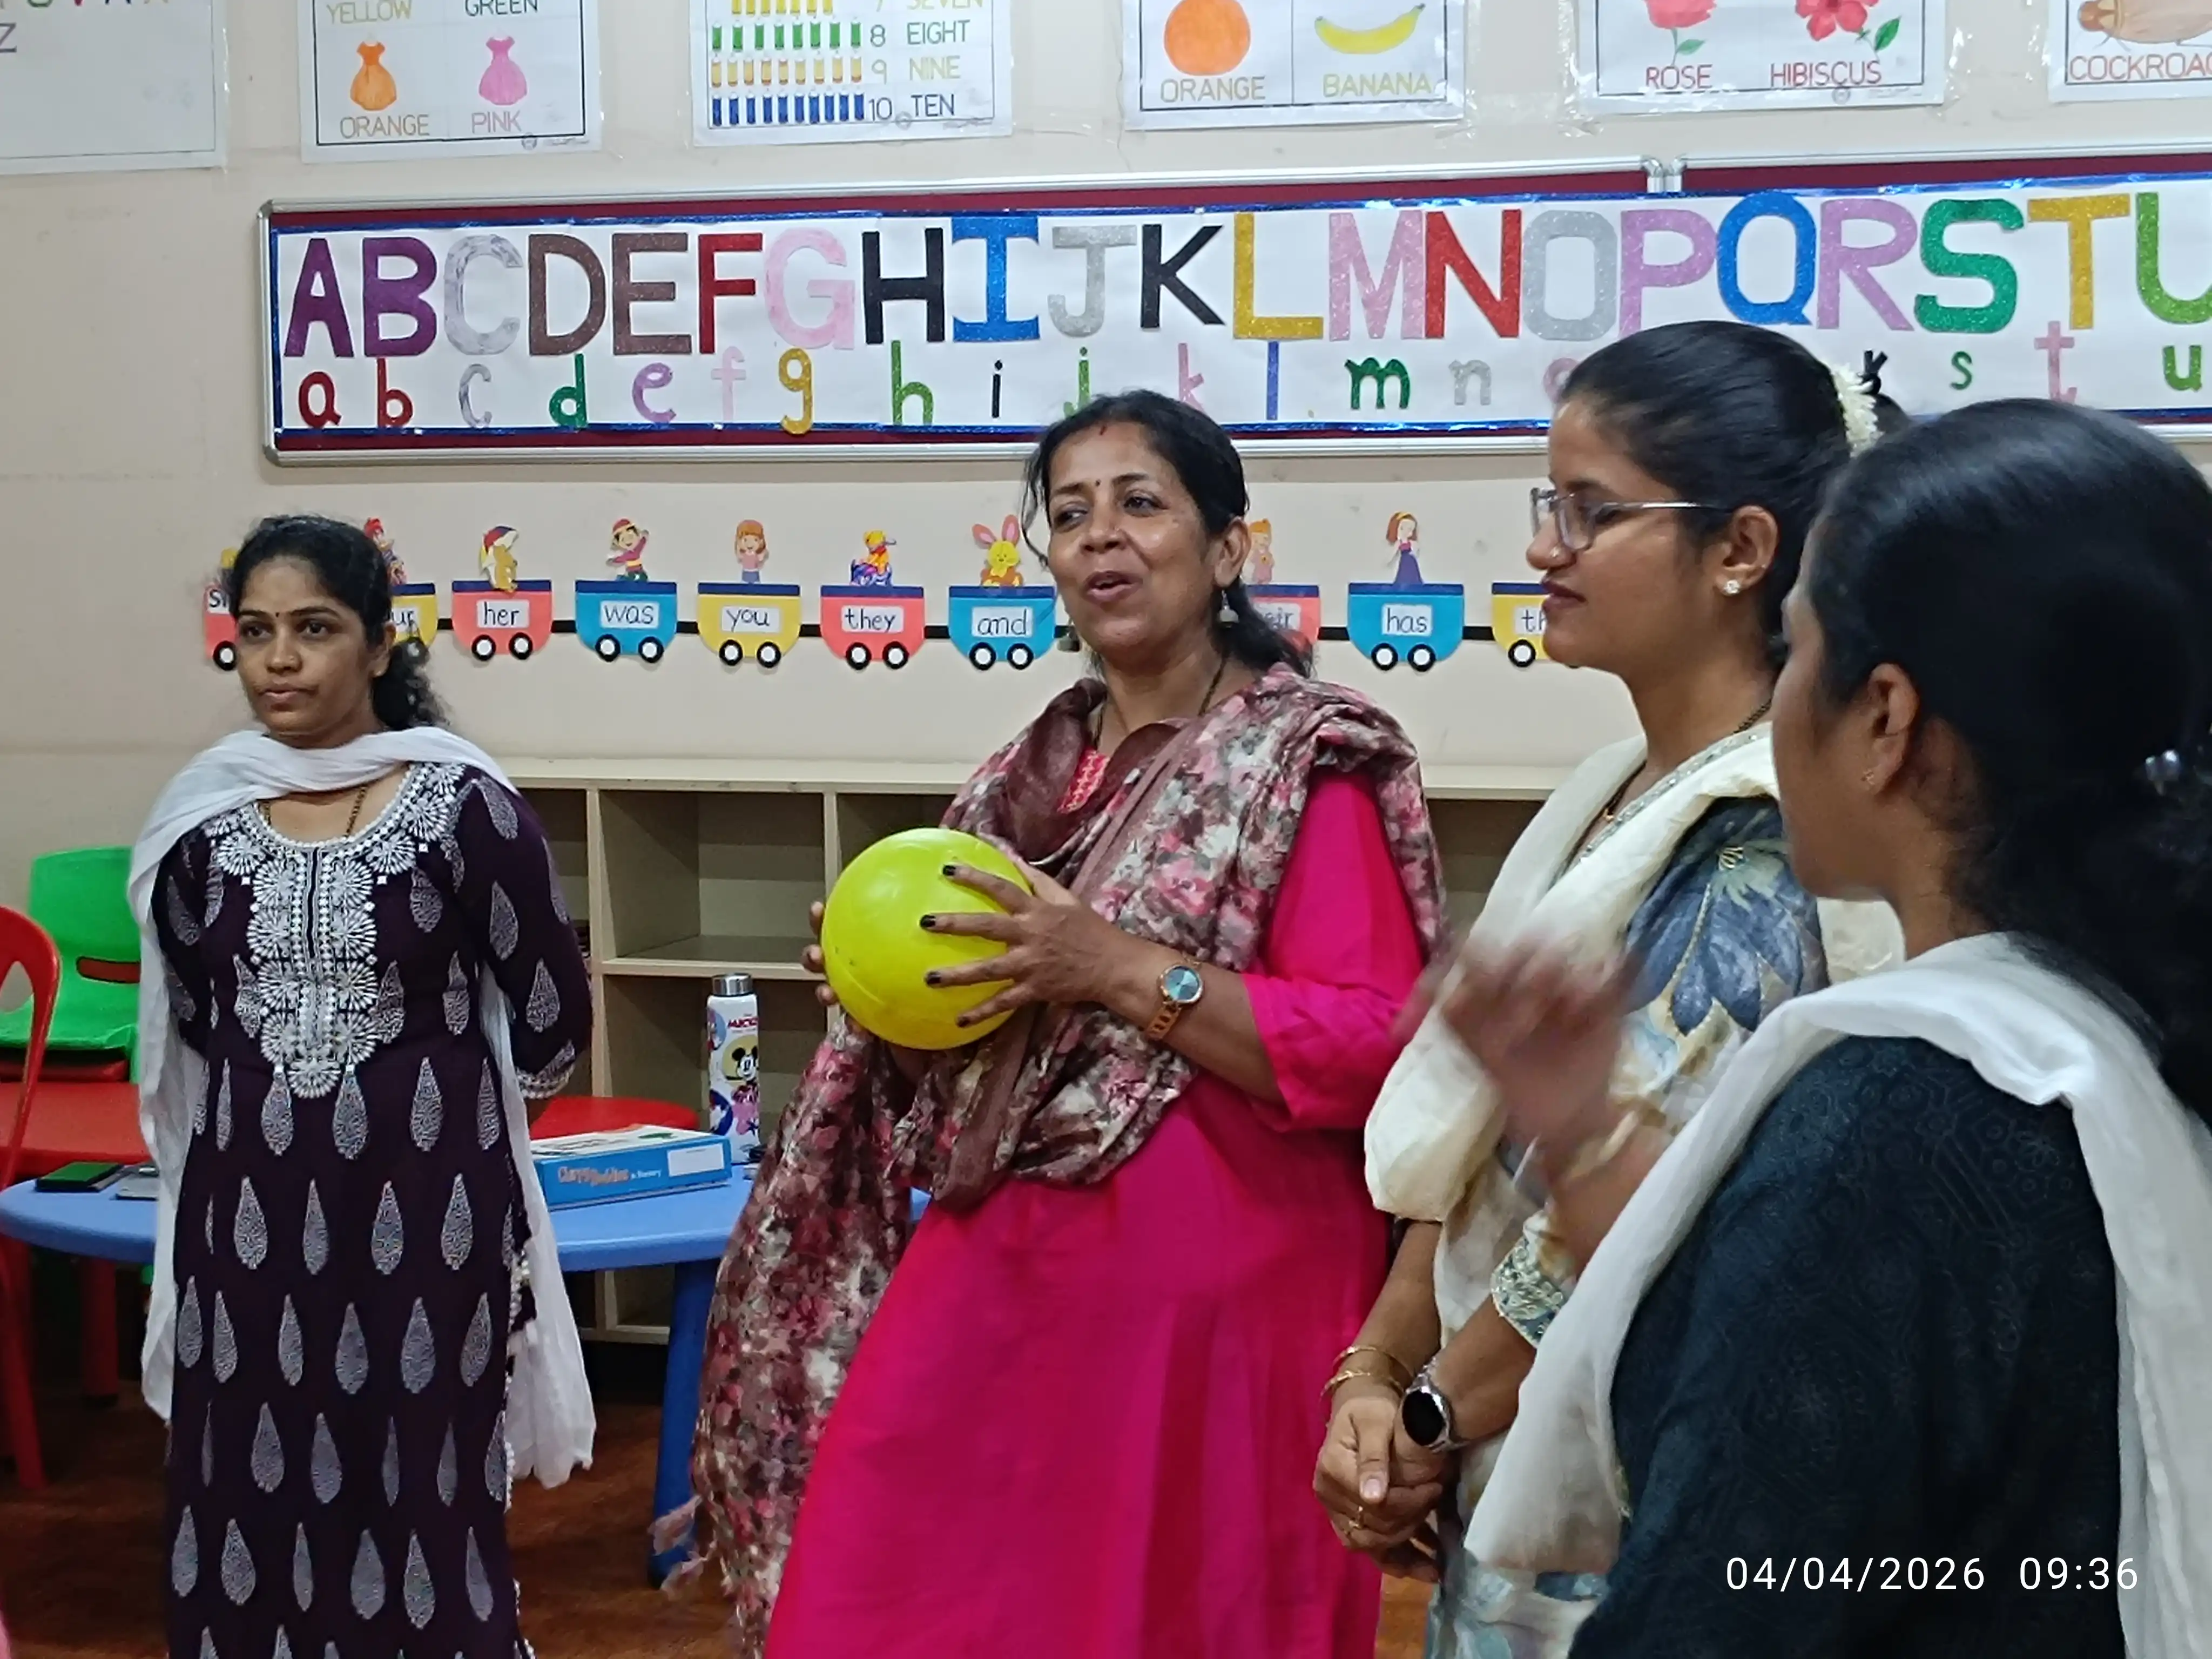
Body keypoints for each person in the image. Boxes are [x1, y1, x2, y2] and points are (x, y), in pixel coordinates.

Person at [672, 390, 1451, 1659]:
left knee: (1172, 1610)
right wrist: (901, 1002)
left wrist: (1114, 967)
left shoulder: (1302, 762)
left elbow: (1375, 1047)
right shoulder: (1026, 773)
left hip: (1222, 1287)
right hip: (1014, 1244)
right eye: (1070, 514)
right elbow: (1001, 1037)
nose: (1100, 540)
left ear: (1227, 549)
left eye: (1140, 504)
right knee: (882, 1574)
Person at [1454, 399, 2212, 1656]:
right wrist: (1584, 1139)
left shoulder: (1898, 1118)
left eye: (1794, 650)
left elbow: (1740, 1589)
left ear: (1885, 721)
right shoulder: (2128, 1024)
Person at [1317, 321, 1906, 1657]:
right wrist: (1372, 1373)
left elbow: (1620, 1214)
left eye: (1589, 511)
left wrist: (1421, 1425)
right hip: (1491, 1449)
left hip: (1617, 1496)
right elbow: (1484, 1137)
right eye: (1549, 505)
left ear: (1739, 551)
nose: (1543, 548)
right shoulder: (1606, 797)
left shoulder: (1755, 839)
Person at [134, 516, 595, 1659]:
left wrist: (414, 1096)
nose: (280, 660)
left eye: (314, 630)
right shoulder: (201, 820)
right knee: (246, 1469)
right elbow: (196, 1018)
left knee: (420, 1468)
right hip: (245, 1225)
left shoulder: (463, 808)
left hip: (427, 1214)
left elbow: (551, 1023)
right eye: (255, 632)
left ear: (381, 647)